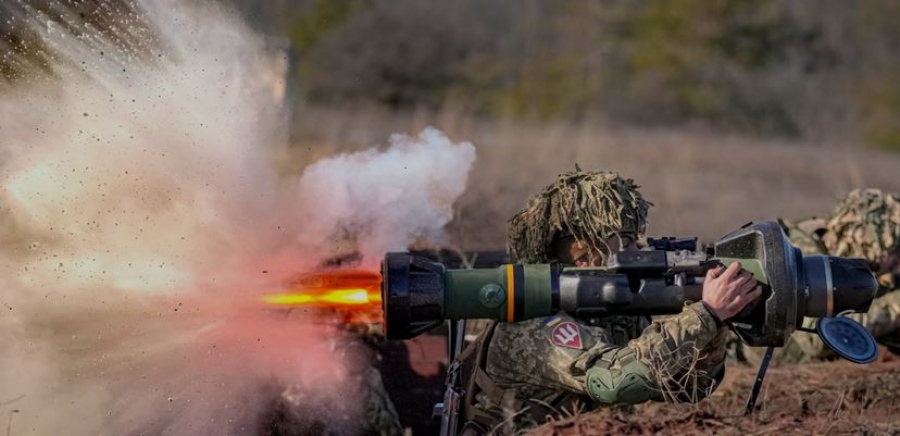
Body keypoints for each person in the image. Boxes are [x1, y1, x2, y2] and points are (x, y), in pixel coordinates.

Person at [456, 170, 762, 435]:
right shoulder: (534, 321)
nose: (626, 249)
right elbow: (617, 380)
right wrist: (705, 314)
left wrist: (715, 323)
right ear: (574, 250)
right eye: (611, 239)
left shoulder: (607, 312)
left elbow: (688, 387)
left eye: (629, 239)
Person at [761, 188, 900, 363]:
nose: (896, 265)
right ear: (872, 242)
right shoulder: (798, 257)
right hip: (750, 368)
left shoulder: (852, 264)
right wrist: (895, 305)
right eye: (895, 254)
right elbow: (818, 340)